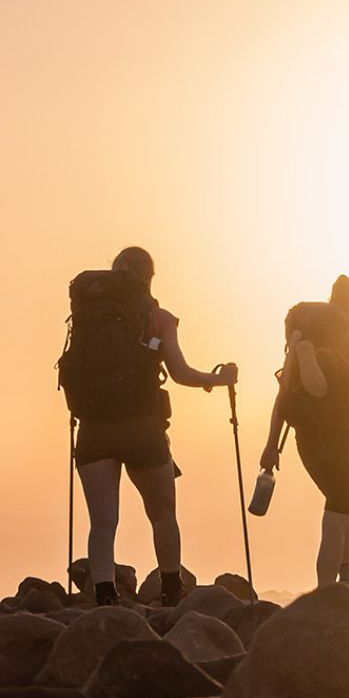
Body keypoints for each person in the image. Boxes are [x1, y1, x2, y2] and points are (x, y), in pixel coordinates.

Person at [62, 248, 237, 606]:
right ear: (149, 278)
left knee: (103, 522)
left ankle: (105, 596)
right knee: (162, 514)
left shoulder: (84, 317)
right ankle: (172, 589)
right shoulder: (157, 317)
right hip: (142, 428)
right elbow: (180, 373)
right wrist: (218, 380)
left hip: (94, 429)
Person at [270, 274, 349, 588]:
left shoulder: (307, 331)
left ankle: (346, 574)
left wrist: (271, 445)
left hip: (308, 434)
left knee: (343, 505)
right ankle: (328, 590)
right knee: (339, 511)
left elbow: (286, 391)